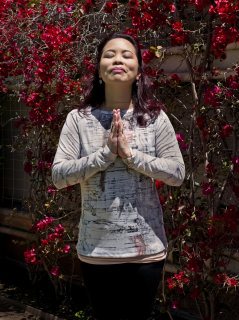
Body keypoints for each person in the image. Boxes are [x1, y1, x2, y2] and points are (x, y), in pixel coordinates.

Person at [51, 32, 185, 320]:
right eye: (109, 54)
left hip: (146, 251)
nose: (118, 59)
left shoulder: (154, 118)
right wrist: (104, 155)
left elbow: (177, 173)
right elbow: (59, 175)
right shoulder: (79, 119)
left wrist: (132, 156)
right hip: (96, 251)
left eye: (127, 54)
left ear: (138, 71)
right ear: (99, 69)